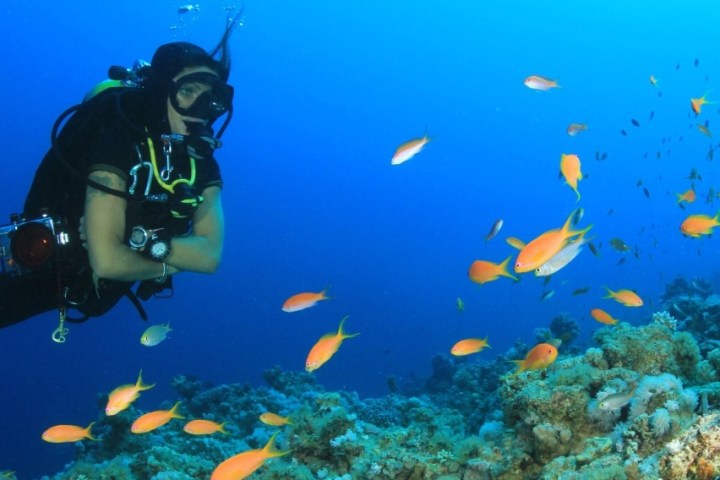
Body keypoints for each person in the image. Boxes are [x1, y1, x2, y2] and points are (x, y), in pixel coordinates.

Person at [0, 14, 242, 336]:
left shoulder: (201, 162)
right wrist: (172, 259)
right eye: (189, 91)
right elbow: (107, 261)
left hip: (92, 292)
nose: (202, 108)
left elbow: (211, 256)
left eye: (211, 97)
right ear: (160, 92)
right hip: (48, 273)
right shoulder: (117, 141)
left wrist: (134, 243)